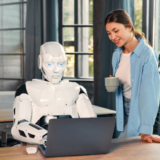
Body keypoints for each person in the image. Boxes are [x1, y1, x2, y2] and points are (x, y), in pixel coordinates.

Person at [11, 42, 96, 145]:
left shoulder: (77, 89)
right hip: (38, 144)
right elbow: (19, 125)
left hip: (72, 143)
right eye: (50, 64)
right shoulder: (27, 88)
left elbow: (92, 123)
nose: (56, 70)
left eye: (61, 64)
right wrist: (45, 137)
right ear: (40, 62)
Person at [105, 9, 160, 143]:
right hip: (125, 110)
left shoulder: (147, 54)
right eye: (109, 33)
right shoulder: (116, 54)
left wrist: (145, 129)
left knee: (124, 149)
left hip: (143, 110)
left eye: (116, 31)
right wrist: (115, 82)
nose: (112, 37)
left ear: (129, 27)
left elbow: (150, 94)